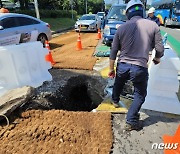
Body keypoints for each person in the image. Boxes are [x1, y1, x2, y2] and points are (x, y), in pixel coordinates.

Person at [108, 0, 164, 131]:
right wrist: (156, 59)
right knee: (140, 94)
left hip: (122, 65)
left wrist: (111, 69)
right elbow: (160, 49)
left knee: (119, 83)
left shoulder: (121, 28)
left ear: (127, 13)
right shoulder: (153, 26)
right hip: (139, 67)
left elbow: (113, 51)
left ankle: (114, 100)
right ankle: (131, 120)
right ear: (142, 11)